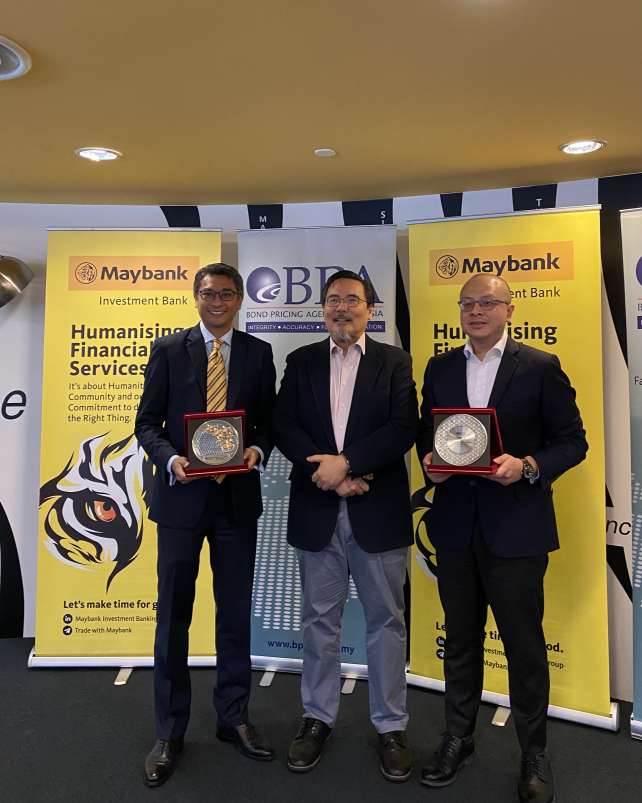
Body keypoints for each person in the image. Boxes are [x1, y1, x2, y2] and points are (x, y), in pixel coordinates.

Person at [416, 274, 587, 803]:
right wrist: (431, 464)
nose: (476, 311)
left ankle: (533, 752)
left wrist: (529, 465)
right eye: (468, 303)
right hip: (455, 528)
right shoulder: (441, 368)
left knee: (524, 647)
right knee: (460, 641)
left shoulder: (539, 367)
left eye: (488, 302)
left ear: (509, 310)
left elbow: (572, 442)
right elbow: (429, 435)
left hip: (516, 529)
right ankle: (458, 737)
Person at [273, 269, 418, 782]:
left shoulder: (394, 362)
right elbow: (283, 424)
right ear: (323, 310)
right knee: (319, 620)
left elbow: (403, 427)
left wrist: (349, 464)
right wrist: (329, 475)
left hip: (376, 510)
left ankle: (391, 725)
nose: (342, 308)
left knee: (386, 621)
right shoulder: (301, 361)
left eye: (352, 300)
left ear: (369, 310)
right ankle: (317, 717)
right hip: (319, 509)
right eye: (333, 300)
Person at [135, 263, 277, 787]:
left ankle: (233, 717)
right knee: (173, 616)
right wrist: (171, 459)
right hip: (181, 501)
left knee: (234, 613)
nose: (218, 302)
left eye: (227, 294)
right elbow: (146, 423)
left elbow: (267, 421)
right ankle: (169, 731)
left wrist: (256, 449)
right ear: (195, 297)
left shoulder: (259, 353)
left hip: (235, 502)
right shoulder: (169, 350)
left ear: (240, 300)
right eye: (209, 293)